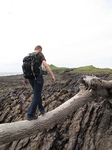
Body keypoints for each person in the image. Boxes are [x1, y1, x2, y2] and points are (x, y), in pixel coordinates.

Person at [25, 45, 55, 120]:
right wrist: (52, 75)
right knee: (36, 95)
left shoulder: (28, 56)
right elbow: (45, 65)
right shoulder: (40, 54)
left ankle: (41, 110)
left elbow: (25, 68)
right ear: (40, 49)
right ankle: (30, 114)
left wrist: (26, 79)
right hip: (38, 78)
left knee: (37, 94)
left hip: (30, 78)